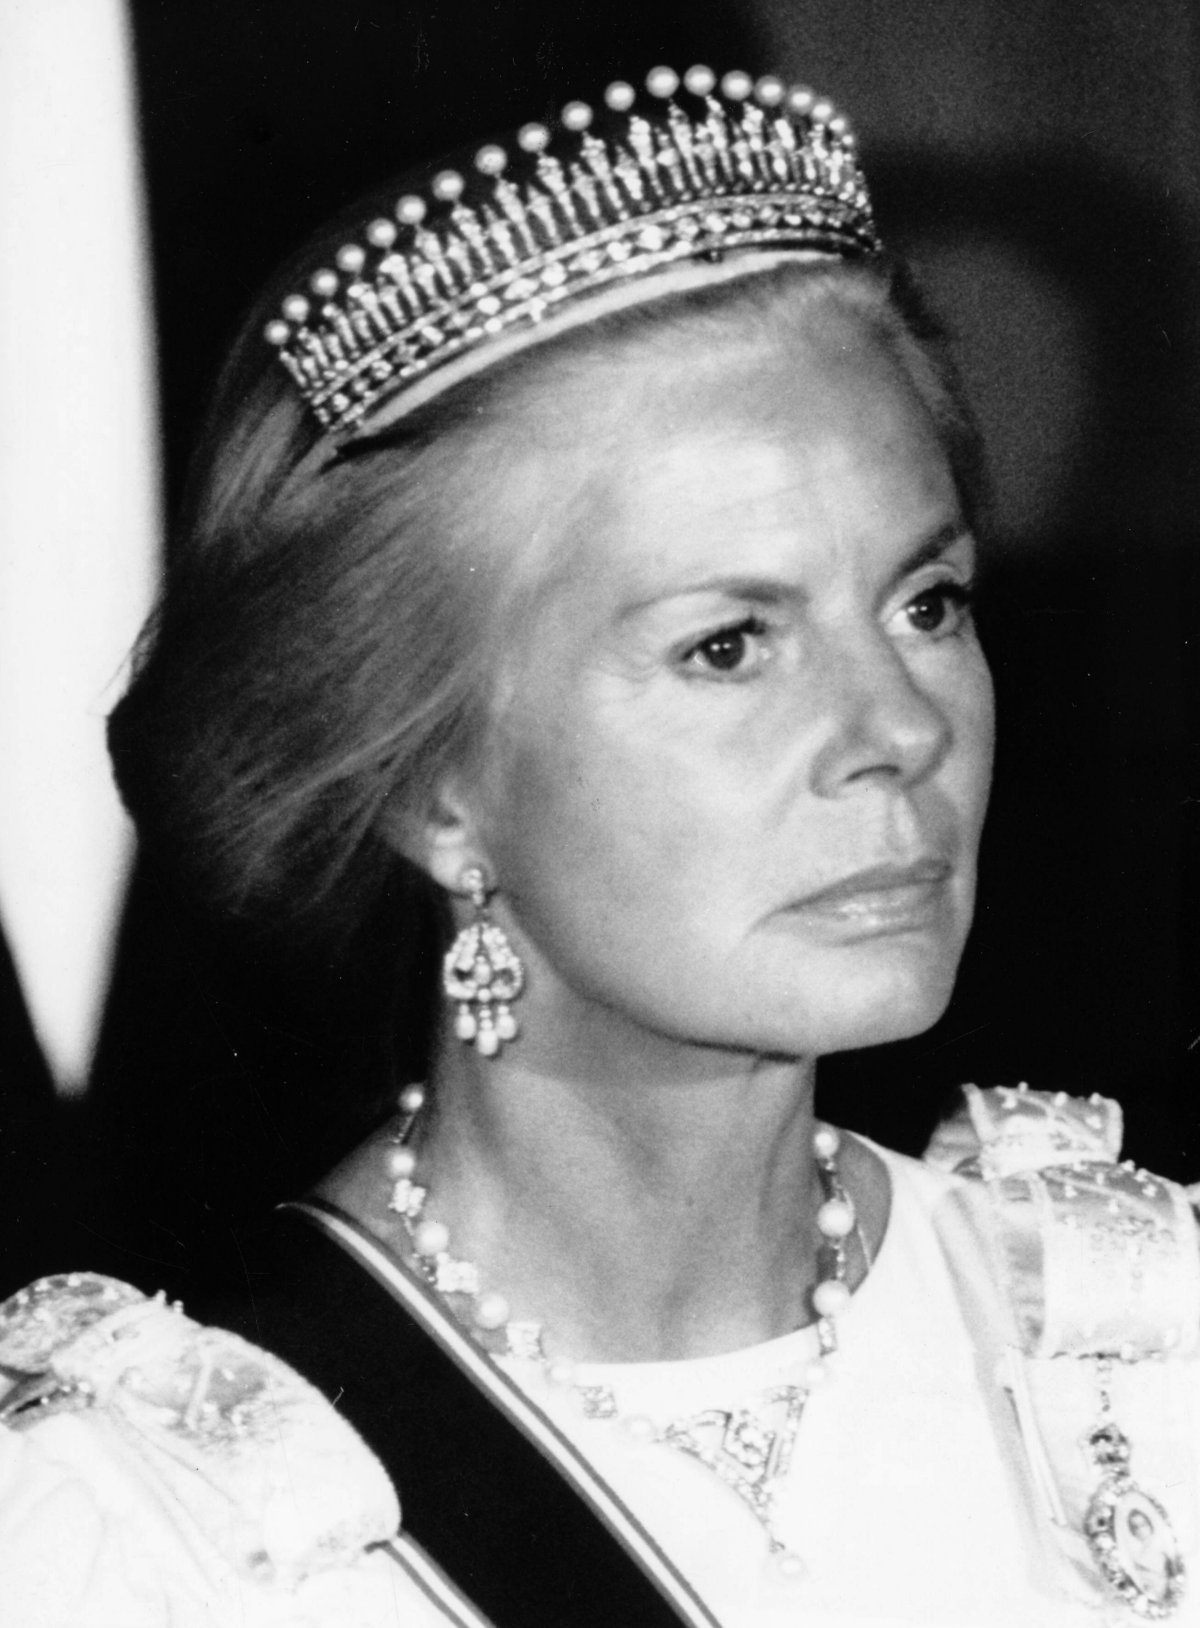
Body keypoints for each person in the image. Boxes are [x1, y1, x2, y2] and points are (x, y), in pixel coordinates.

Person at [1, 63, 1197, 1628]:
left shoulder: (1145, 1348)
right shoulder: (162, 1534)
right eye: (727, 646)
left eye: (926, 603)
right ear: (437, 792)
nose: (899, 728)